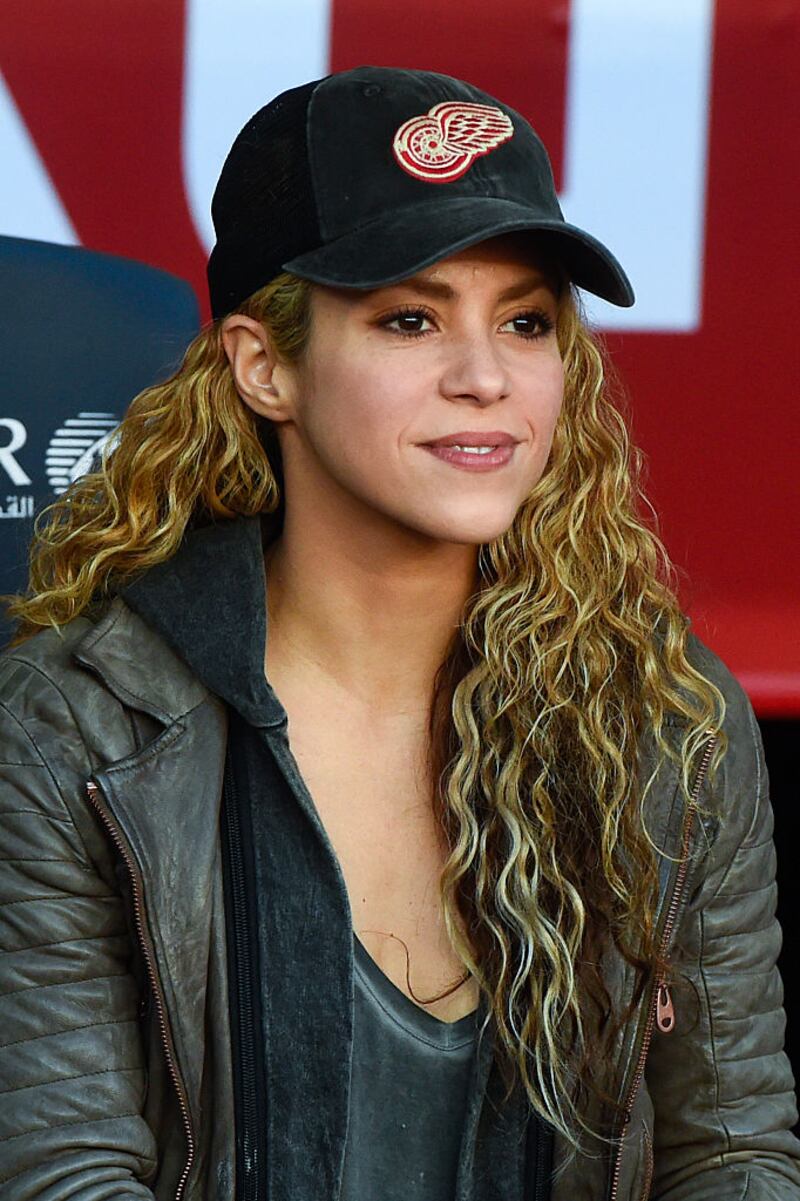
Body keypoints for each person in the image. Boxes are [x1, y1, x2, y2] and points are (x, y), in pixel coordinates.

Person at [0, 64, 798, 1201]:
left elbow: (732, 1154)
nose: (484, 378)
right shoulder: (74, 732)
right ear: (264, 365)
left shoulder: (667, 724)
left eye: (523, 321)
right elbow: (63, 1177)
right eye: (409, 318)